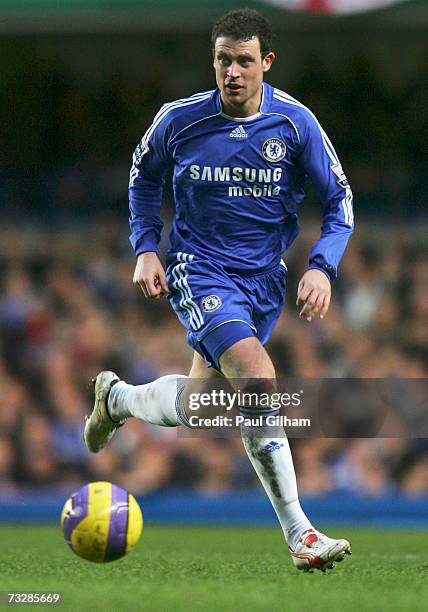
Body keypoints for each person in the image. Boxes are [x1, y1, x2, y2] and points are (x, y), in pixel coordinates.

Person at [84, 8, 354, 571]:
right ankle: (301, 534)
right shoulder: (178, 121)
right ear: (214, 60)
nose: (232, 72)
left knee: (204, 409)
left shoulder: (296, 124)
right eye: (223, 60)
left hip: (263, 281)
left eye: (244, 61)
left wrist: (322, 267)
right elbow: (142, 181)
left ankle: (118, 399)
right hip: (199, 269)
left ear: (266, 64)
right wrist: (146, 248)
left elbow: (340, 203)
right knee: (257, 378)